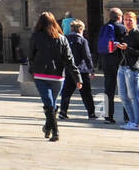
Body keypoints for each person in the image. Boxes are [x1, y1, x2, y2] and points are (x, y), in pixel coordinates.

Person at [28, 11, 72, 141]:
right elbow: (69, 59)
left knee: (49, 103)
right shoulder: (62, 38)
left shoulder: (35, 37)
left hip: (40, 74)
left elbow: (31, 55)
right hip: (58, 76)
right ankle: (50, 129)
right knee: (51, 103)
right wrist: (77, 77)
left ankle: (54, 130)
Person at [114, 10, 139, 130]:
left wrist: (128, 49)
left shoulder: (138, 33)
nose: (128, 22)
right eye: (126, 20)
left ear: (135, 21)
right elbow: (125, 50)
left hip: (133, 68)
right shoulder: (125, 34)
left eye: (130, 20)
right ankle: (131, 120)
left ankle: (138, 122)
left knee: (133, 96)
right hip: (122, 67)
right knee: (123, 96)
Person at [59, 19, 96, 119]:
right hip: (81, 70)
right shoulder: (82, 40)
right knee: (86, 93)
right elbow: (87, 56)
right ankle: (91, 113)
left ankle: (63, 111)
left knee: (66, 92)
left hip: (69, 69)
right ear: (80, 29)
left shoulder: (65, 38)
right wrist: (91, 69)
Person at [98, 6, 124, 123]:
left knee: (108, 89)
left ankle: (108, 116)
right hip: (119, 61)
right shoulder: (122, 28)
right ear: (120, 17)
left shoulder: (104, 27)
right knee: (125, 90)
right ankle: (128, 116)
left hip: (106, 61)